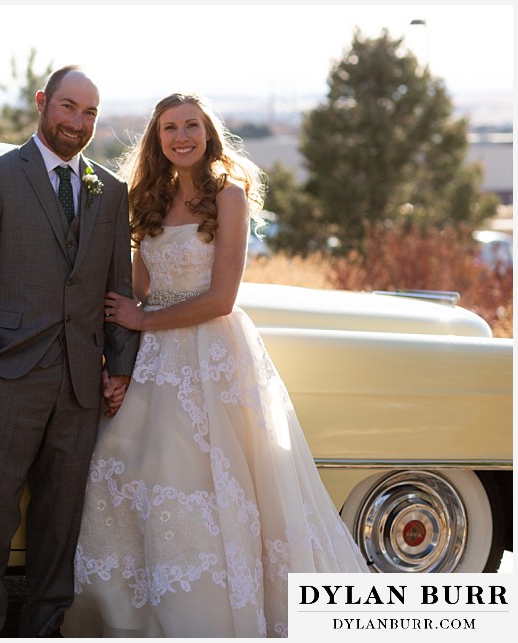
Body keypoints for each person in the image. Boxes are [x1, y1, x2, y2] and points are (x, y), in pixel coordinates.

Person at [62, 93, 370, 638]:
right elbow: (138, 287)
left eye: (191, 126)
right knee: (123, 470)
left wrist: (142, 322)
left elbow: (222, 298)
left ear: (209, 133)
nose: (181, 137)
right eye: (169, 129)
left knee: (201, 482)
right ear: (157, 140)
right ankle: (133, 613)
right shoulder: (150, 199)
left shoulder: (228, 196)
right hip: (153, 356)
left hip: (211, 355)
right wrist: (120, 360)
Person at [0, 65, 141, 637]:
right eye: (68, 108)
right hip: (8, 375)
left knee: (60, 526)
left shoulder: (110, 191)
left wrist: (120, 366)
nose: (77, 123)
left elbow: (117, 288)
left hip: (82, 384)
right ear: (42, 103)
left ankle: (45, 629)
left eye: (89, 114)